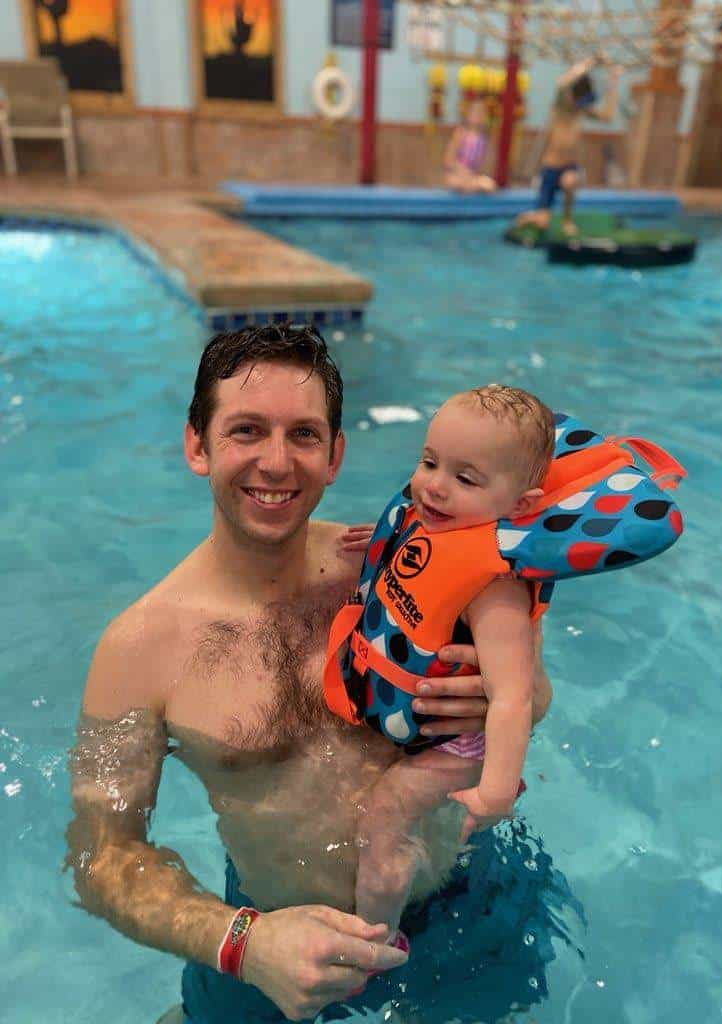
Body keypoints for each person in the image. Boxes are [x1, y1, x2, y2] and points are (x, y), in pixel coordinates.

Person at [67, 325, 557, 1024]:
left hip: (472, 899)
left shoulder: (395, 564)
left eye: (303, 434)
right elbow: (101, 855)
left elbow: (529, 688)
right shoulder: (138, 649)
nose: (276, 462)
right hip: (277, 944)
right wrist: (245, 943)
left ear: (335, 455)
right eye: (245, 430)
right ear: (197, 445)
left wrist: (515, 696)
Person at [325, 386, 553, 941]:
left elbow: (512, 695)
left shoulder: (494, 590)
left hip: (455, 744)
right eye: (429, 462)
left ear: (519, 505)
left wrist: (495, 789)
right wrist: (383, 542)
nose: (433, 484)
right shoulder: (430, 519)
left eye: (465, 478)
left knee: (381, 818)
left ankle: (374, 939)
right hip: (413, 716)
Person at [515, 58, 623, 235]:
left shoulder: (581, 111)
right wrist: (589, 63)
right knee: (542, 223)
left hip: (569, 166)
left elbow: (608, 116)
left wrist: (614, 82)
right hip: (550, 169)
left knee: (570, 181)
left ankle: (567, 220)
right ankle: (531, 216)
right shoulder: (559, 109)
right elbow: (562, 83)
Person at [443, 98, 497, 194]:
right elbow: (448, 160)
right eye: (474, 113)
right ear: (468, 114)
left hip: (473, 177)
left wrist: (475, 175)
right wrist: (461, 170)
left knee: (489, 185)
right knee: (455, 182)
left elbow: (485, 165)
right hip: (458, 174)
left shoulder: (483, 139)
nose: (477, 116)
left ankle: (469, 187)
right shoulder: (460, 133)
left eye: (480, 114)